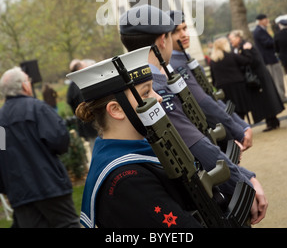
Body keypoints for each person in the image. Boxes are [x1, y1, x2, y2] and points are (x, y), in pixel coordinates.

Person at [119, 4, 267, 224]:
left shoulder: (141, 87)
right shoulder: (155, 89)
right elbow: (193, 142)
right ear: (163, 40)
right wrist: (243, 181)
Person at [68, 47, 204, 228]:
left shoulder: (140, 151)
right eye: (146, 93)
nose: (159, 98)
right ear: (116, 110)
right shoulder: (127, 179)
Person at [0, 67, 80, 228]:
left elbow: (1, 156)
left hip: (20, 192)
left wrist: (6, 188)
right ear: (25, 86)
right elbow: (59, 140)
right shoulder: (37, 108)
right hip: (49, 184)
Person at [168, 10, 253, 151]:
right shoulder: (174, 65)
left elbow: (211, 97)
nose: (184, 34)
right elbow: (204, 102)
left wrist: (242, 126)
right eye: (176, 31)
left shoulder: (184, 57)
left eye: (185, 28)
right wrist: (238, 131)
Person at [229, 30, 284, 132]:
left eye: (231, 39)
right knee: (265, 99)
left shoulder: (245, 47)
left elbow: (252, 61)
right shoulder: (242, 47)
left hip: (258, 77)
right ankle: (272, 121)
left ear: (238, 38)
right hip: (258, 77)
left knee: (265, 99)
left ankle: (272, 122)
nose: (230, 41)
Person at [209, 37, 254, 121]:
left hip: (222, 88)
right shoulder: (231, 55)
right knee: (240, 108)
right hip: (237, 85)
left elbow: (213, 77)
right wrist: (247, 50)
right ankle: (242, 126)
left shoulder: (213, 61)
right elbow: (247, 61)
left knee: (230, 110)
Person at [253, 14, 287, 103]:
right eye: (265, 19)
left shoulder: (261, 30)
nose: (267, 21)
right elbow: (267, 43)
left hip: (270, 58)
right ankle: (281, 97)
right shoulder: (258, 31)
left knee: (278, 78)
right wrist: (276, 40)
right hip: (269, 59)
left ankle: (281, 96)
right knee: (277, 79)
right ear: (260, 21)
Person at [67, 59, 98, 151]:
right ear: (80, 68)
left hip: (84, 121)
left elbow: (70, 102)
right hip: (93, 120)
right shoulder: (84, 83)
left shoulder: (71, 86)